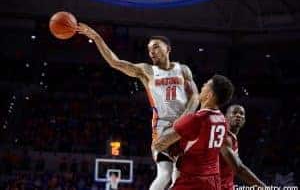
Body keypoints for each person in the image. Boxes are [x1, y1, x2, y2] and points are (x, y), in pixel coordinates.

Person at [77, 23, 199, 190]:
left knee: (180, 177)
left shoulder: (183, 69)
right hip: (163, 126)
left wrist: (185, 119)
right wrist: (97, 38)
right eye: (149, 49)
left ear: (168, 49)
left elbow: (195, 97)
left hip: (184, 124)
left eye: (156, 47)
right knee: (164, 174)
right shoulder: (146, 70)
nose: (152, 51)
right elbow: (115, 62)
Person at [153, 74, 234, 190]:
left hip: (193, 181)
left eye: (206, 85)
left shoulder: (196, 119)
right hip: (213, 181)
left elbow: (159, 144)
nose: (203, 86)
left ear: (209, 95)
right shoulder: (223, 120)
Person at [220, 105, 266, 190]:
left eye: (241, 114)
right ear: (225, 117)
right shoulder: (223, 136)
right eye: (234, 113)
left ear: (244, 121)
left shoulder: (233, 138)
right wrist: (263, 187)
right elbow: (239, 169)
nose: (238, 115)